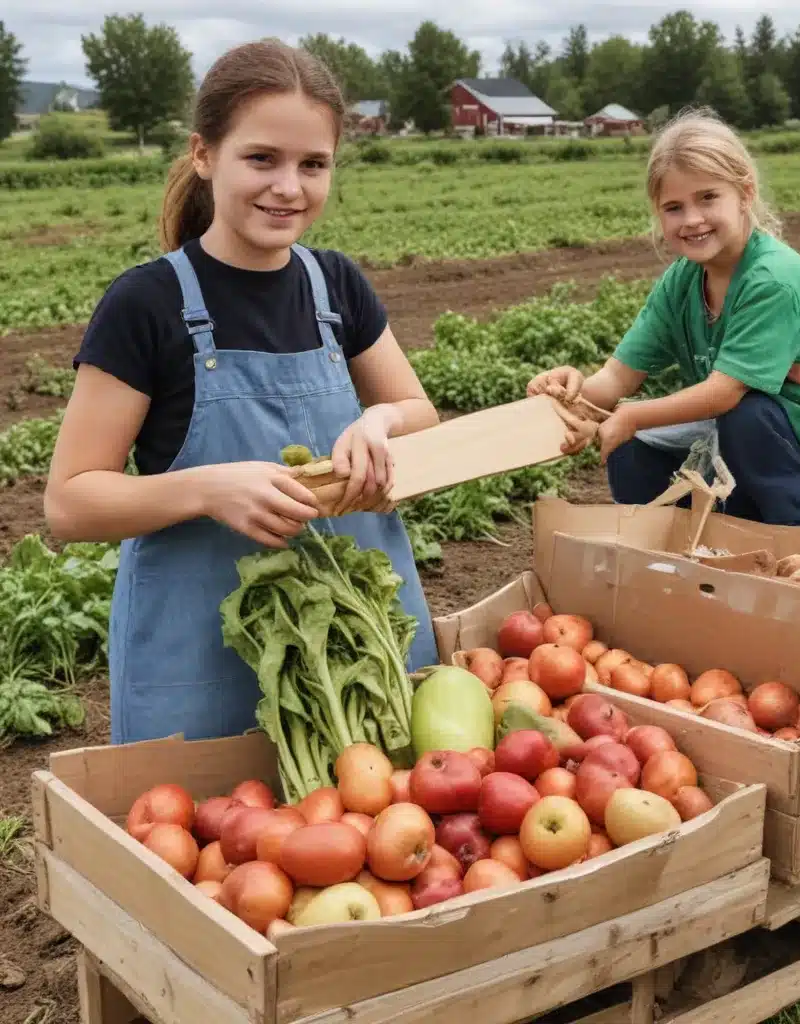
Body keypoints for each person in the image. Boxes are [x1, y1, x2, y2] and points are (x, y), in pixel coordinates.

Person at [43, 39, 440, 745]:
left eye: (313, 165)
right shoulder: (148, 302)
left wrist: (379, 422)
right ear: (204, 155)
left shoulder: (336, 285)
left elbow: (419, 414)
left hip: (351, 652)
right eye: (262, 159)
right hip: (207, 655)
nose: (289, 187)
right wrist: (207, 490)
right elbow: (70, 502)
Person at [528, 108, 800, 534]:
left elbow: (723, 393)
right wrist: (571, 392)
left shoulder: (774, 280)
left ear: (745, 193)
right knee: (632, 441)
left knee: (746, 416)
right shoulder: (681, 282)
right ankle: (701, 536)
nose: (692, 219)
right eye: (674, 207)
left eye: (708, 198)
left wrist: (630, 416)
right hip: (743, 434)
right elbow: (616, 379)